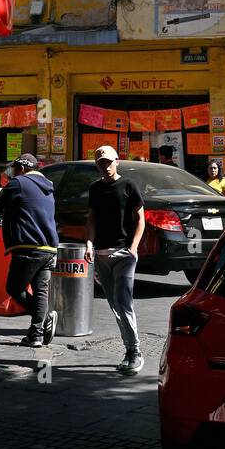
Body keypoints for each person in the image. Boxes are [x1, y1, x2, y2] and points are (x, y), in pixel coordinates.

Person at [0, 154, 58, 347]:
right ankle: (36, 335)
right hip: (49, 246)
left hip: (28, 246)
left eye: (15, 168)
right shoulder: (48, 186)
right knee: (40, 290)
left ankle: (40, 320)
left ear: (21, 168)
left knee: (14, 288)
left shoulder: (18, 183)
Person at [85, 146, 146, 375]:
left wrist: (133, 248)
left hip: (124, 254)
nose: (106, 166)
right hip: (101, 254)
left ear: (117, 161)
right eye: (101, 163)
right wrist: (89, 244)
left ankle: (134, 351)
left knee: (123, 302)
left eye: (109, 162)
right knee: (115, 307)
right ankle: (130, 350)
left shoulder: (128, 185)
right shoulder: (95, 189)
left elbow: (141, 219)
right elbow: (90, 219)